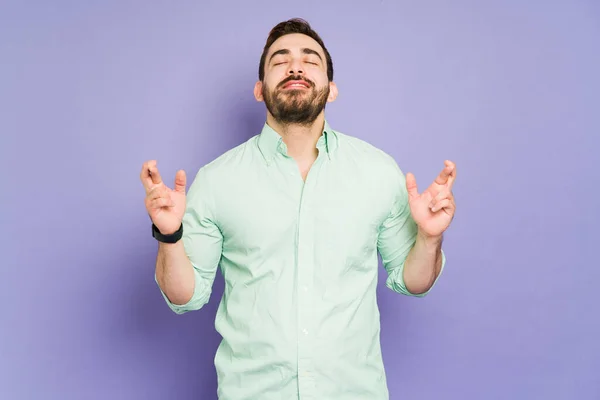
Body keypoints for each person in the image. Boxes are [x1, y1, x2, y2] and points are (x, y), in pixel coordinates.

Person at [140, 18, 456, 400]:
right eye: (279, 60)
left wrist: (429, 237)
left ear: (332, 89)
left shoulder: (377, 171)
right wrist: (169, 235)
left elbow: (413, 282)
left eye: (310, 59)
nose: (295, 67)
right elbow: (184, 296)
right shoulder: (217, 180)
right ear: (259, 90)